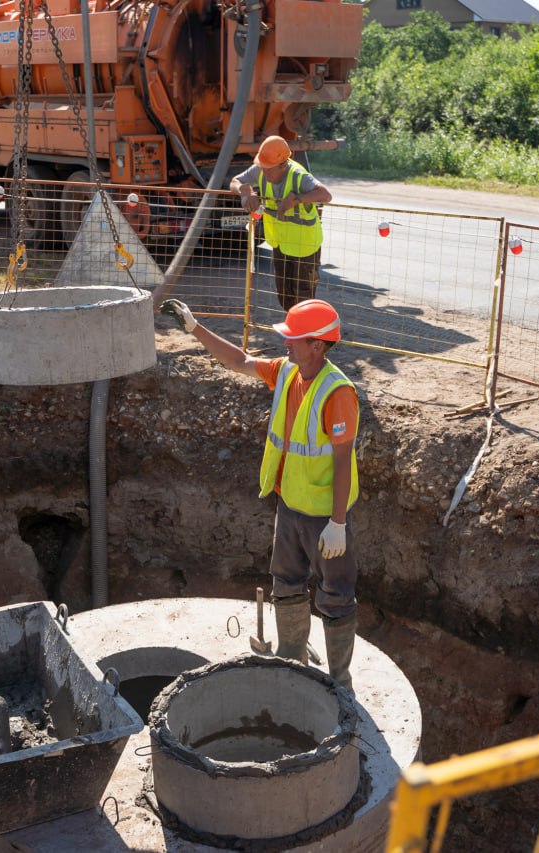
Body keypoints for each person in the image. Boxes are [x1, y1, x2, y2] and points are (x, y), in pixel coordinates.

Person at [159, 297, 361, 691]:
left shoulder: (338, 393)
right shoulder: (288, 371)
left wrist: (338, 523)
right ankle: (292, 663)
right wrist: (193, 327)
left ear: (317, 345)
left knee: (335, 596)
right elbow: (240, 361)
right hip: (289, 505)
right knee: (285, 583)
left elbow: (341, 461)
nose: (286, 343)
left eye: (294, 338)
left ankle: (340, 683)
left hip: (324, 516)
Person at [230, 135, 333, 312]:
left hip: (305, 247)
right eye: (263, 168)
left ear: (283, 164)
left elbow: (326, 195)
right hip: (280, 245)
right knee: (285, 296)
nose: (265, 173)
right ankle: (294, 331)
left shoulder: (298, 176)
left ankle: (306, 334)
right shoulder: (262, 168)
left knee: (304, 298)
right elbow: (235, 181)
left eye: (269, 169)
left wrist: (297, 199)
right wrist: (244, 192)